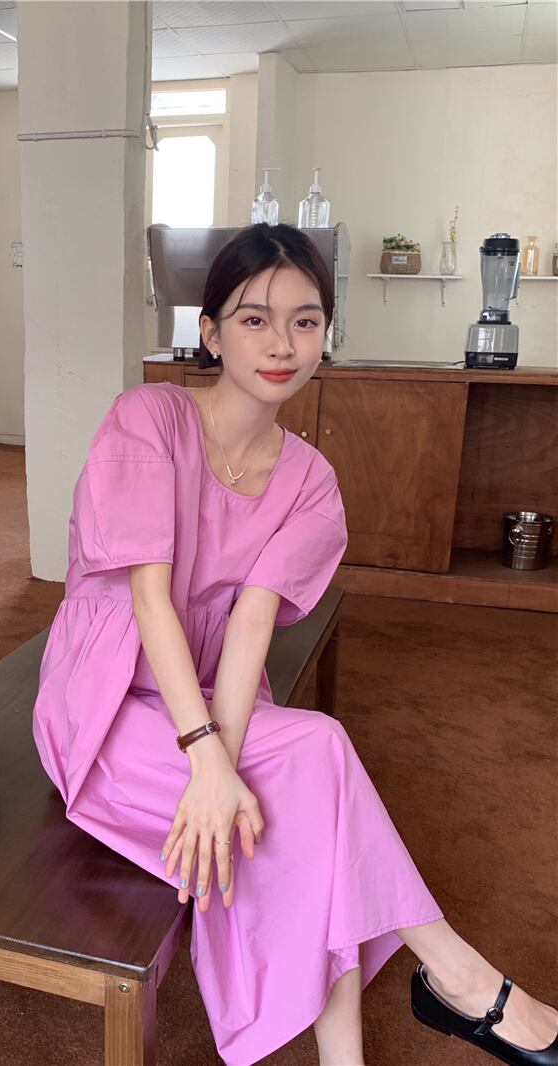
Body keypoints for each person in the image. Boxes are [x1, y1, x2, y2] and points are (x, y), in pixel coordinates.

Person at [32, 223, 557, 1066]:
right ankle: (460, 980)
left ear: (325, 333)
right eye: (255, 320)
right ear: (211, 333)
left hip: (213, 696)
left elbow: (250, 623)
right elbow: (149, 598)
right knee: (317, 767)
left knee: (311, 777)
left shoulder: (311, 479)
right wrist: (206, 758)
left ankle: (392, 1029)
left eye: (305, 321)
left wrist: (222, 766)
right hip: (104, 701)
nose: (283, 344)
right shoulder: (148, 418)